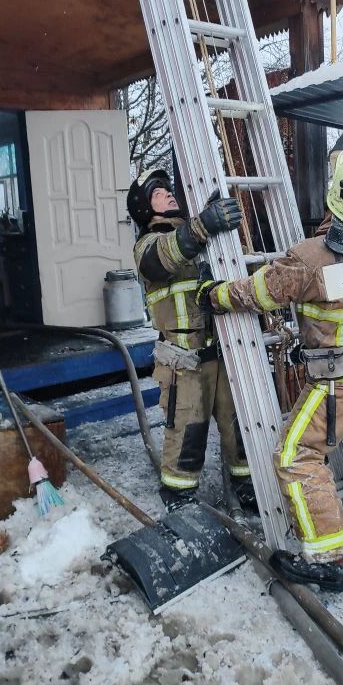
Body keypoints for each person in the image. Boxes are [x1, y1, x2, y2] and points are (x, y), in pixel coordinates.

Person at [196, 148, 343, 593]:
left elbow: (260, 292)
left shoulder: (312, 259)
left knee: (294, 455)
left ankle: (328, 558)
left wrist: (213, 295)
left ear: (342, 193)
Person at [127, 168, 254, 510]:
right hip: (185, 358)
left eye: (168, 190)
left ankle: (246, 485)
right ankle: (179, 496)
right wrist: (202, 226)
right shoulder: (147, 245)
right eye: (158, 193)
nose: (169, 194)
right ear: (144, 209)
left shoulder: (201, 236)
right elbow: (162, 259)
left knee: (238, 425)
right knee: (189, 430)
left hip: (226, 348)